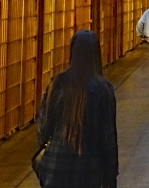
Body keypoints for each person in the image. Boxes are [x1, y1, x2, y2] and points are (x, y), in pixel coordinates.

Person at [35, 30, 118, 188]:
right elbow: (108, 138)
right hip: (88, 169)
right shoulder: (103, 89)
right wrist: (111, 176)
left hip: (54, 168)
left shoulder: (57, 83)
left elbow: (43, 129)